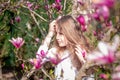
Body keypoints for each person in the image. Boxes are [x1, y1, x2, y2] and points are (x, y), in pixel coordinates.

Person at [37, 15, 88, 80]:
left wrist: (83, 62)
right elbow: (39, 58)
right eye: (56, 33)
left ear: (69, 33)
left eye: (61, 34)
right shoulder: (58, 51)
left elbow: (90, 77)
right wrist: (50, 34)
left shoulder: (81, 52)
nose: (57, 37)